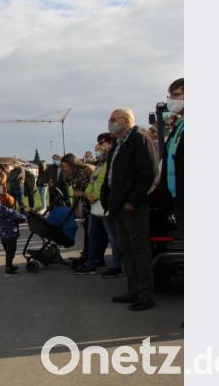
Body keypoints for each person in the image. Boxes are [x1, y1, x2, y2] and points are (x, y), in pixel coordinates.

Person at [102, 108, 158, 311]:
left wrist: (133, 201)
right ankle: (132, 290)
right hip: (118, 206)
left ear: (125, 121)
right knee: (126, 249)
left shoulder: (139, 139)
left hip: (133, 206)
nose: (110, 123)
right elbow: (111, 174)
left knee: (139, 249)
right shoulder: (118, 143)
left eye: (113, 119)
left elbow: (148, 173)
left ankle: (145, 295)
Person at [75, 133, 123, 277]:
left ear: (111, 143)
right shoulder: (100, 163)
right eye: (98, 145)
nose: (99, 147)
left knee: (113, 237)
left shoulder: (113, 161)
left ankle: (117, 266)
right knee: (92, 236)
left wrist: (95, 195)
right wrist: (88, 193)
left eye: (102, 143)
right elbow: (93, 181)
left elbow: (105, 182)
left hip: (105, 204)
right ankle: (91, 264)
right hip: (95, 206)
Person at [160, 78, 184, 240]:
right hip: (177, 198)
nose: (171, 100)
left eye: (176, 95)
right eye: (170, 96)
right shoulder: (179, 126)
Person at [0, 193, 26, 276]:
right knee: (11, 253)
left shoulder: (0, 211)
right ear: (11, 204)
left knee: (8, 253)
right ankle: (8, 269)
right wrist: (24, 211)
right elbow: (23, 218)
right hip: (11, 236)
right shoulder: (12, 213)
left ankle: (10, 265)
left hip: (3, 236)